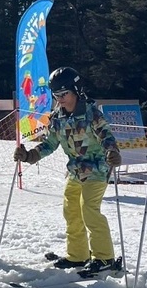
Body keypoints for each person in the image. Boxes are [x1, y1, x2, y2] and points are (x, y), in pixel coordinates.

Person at [13, 67, 122, 275]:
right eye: (56, 95)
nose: (60, 99)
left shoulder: (91, 114)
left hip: (97, 167)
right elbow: (50, 143)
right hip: (75, 169)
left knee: (89, 209)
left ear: (76, 91)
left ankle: (104, 257)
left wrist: (112, 152)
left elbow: (106, 137)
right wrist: (29, 156)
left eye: (64, 94)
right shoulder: (58, 117)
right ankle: (78, 255)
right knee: (71, 209)